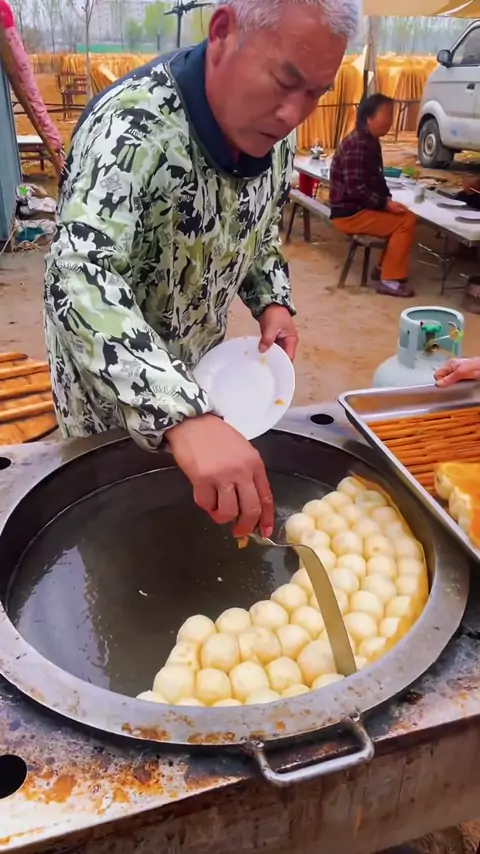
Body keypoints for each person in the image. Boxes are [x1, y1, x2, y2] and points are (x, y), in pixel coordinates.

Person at [44, 0, 359, 539]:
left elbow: (258, 227)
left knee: (189, 535)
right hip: (110, 405)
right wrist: (181, 415)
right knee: (115, 542)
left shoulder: (274, 137)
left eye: (315, 93)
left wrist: (272, 298)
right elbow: (78, 275)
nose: (294, 114)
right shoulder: (130, 128)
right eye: (285, 81)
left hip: (202, 383)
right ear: (223, 31)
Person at [329, 93, 417, 299]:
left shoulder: (370, 140)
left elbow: (377, 179)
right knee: (405, 222)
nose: (390, 121)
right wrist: (384, 204)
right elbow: (355, 189)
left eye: (391, 115)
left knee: (404, 216)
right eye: (386, 115)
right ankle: (389, 281)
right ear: (368, 118)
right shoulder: (358, 143)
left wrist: (388, 200)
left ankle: (383, 268)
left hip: (358, 208)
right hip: (348, 213)